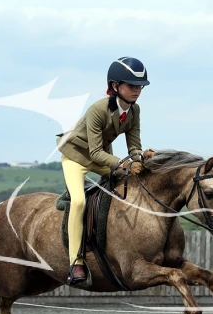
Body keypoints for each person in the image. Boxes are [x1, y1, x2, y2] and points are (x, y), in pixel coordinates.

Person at [55, 57, 156, 286]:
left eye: (140, 86)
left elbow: (134, 145)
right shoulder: (97, 110)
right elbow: (96, 152)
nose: (137, 90)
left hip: (102, 156)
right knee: (79, 201)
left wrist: (141, 158)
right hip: (76, 157)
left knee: (127, 183)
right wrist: (124, 164)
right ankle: (76, 262)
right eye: (132, 85)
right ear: (115, 86)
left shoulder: (134, 110)